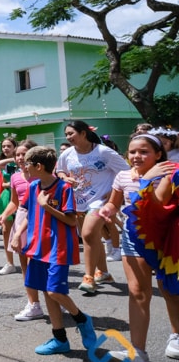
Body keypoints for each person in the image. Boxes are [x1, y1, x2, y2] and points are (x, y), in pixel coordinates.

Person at [100, 132, 179, 362]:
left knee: (170, 291)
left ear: (158, 154)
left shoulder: (168, 172)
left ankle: (176, 335)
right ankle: (138, 353)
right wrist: (107, 209)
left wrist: (148, 179)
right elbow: (114, 202)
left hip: (165, 239)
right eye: (133, 151)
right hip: (133, 238)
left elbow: (156, 205)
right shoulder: (123, 175)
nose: (136, 156)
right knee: (137, 292)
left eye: (144, 152)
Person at [18, 146, 97, 355]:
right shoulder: (33, 186)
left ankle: (82, 319)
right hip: (38, 247)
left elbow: (71, 221)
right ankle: (60, 339)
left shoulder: (64, 188)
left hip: (57, 248)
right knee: (47, 292)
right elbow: (30, 213)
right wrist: (18, 234)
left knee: (55, 291)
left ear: (38, 166)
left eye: (27, 163)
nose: (24, 167)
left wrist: (48, 207)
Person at [56, 120, 128, 294]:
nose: (68, 137)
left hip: (100, 202)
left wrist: (113, 193)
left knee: (87, 234)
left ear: (83, 133)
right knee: (92, 237)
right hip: (79, 201)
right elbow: (59, 170)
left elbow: (126, 172)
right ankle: (103, 273)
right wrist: (65, 178)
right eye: (66, 134)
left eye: (71, 133)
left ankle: (88, 277)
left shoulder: (103, 152)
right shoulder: (68, 154)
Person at [0, 140, 43, 320]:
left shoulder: (43, 175)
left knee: (41, 263)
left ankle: (56, 299)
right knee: (25, 264)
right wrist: (4, 214)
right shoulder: (15, 177)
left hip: (40, 219)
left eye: (24, 154)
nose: (20, 158)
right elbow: (14, 202)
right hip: (21, 219)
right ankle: (33, 304)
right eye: (17, 154)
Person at [0, 136, 19, 275]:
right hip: (7, 197)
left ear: (15, 147)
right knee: (5, 231)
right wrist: (12, 159)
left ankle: (29, 261)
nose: (6, 148)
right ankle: (10, 263)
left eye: (9, 146)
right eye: (3, 146)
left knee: (24, 229)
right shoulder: (8, 163)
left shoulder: (22, 162)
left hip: (21, 197)